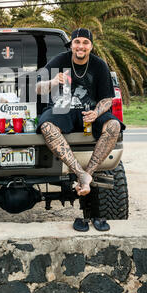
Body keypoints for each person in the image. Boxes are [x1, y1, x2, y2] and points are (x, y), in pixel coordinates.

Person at [36, 27, 125, 231]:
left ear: (90, 46)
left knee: (113, 125)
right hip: (63, 110)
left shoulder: (99, 65)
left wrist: (96, 112)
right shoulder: (59, 60)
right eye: (77, 42)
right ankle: (80, 173)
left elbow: (107, 99)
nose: (81, 46)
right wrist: (52, 81)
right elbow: (37, 88)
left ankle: (89, 173)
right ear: (72, 45)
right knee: (47, 126)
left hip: (90, 114)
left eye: (85, 43)